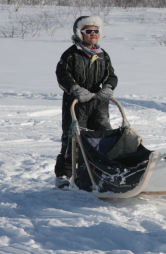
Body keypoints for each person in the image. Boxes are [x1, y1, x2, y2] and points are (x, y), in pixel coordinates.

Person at [54, 16, 118, 188]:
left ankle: (103, 169)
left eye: (96, 31)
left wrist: (108, 87)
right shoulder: (71, 54)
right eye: (88, 31)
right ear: (79, 33)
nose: (93, 34)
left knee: (104, 135)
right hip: (76, 102)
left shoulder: (103, 55)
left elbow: (110, 75)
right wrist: (75, 89)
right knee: (73, 137)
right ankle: (64, 175)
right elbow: (62, 75)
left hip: (98, 102)